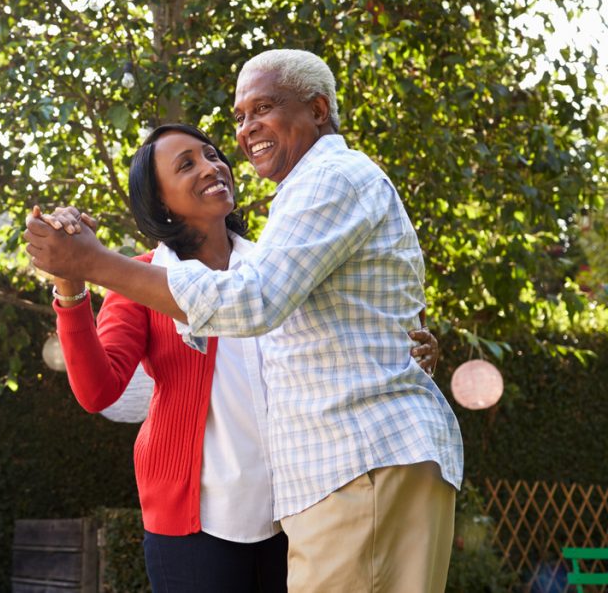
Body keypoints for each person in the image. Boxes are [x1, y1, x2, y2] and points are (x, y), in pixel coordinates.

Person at [24, 49, 463, 592]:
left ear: (317, 110)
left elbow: (315, 305)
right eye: (186, 165)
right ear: (160, 202)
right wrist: (73, 285)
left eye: (211, 154)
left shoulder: (274, 261)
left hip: (293, 502)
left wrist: (405, 343)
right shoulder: (142, 279)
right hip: (202, 520)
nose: (212, 165)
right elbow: (98, 390)